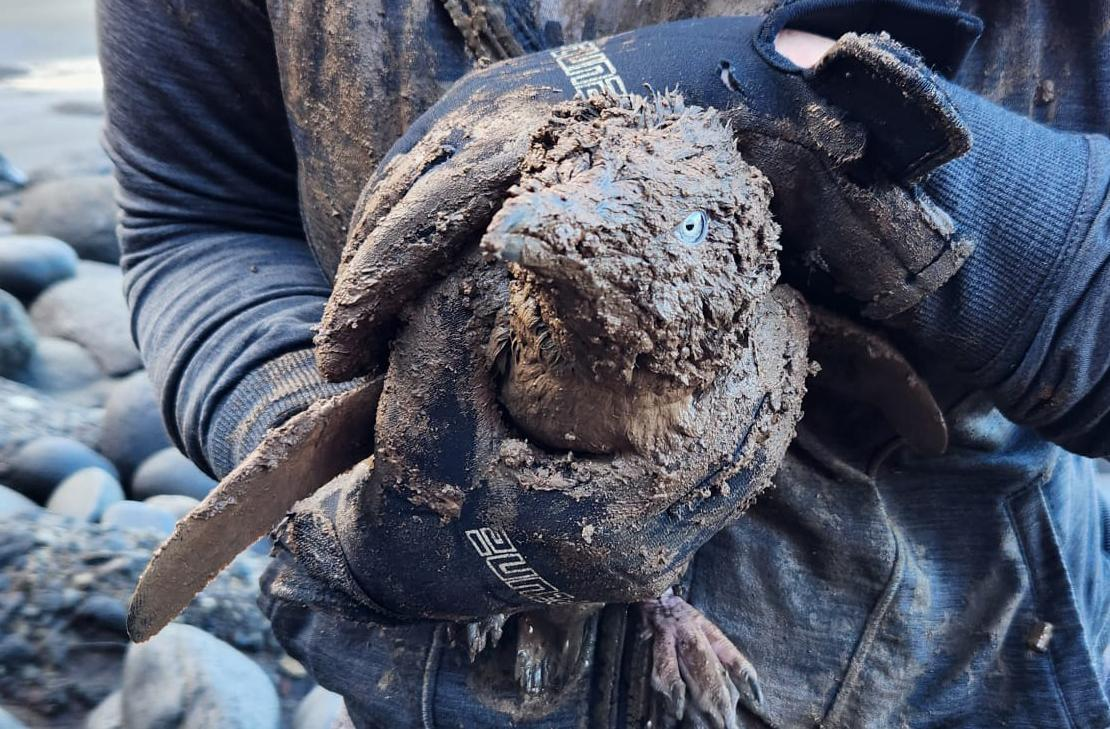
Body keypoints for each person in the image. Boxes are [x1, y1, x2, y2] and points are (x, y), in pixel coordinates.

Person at [97, 0, 1110, 726]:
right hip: (431, 684)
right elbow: (200, 215)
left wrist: (973, 208)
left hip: (955, 665)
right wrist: (312, 436)